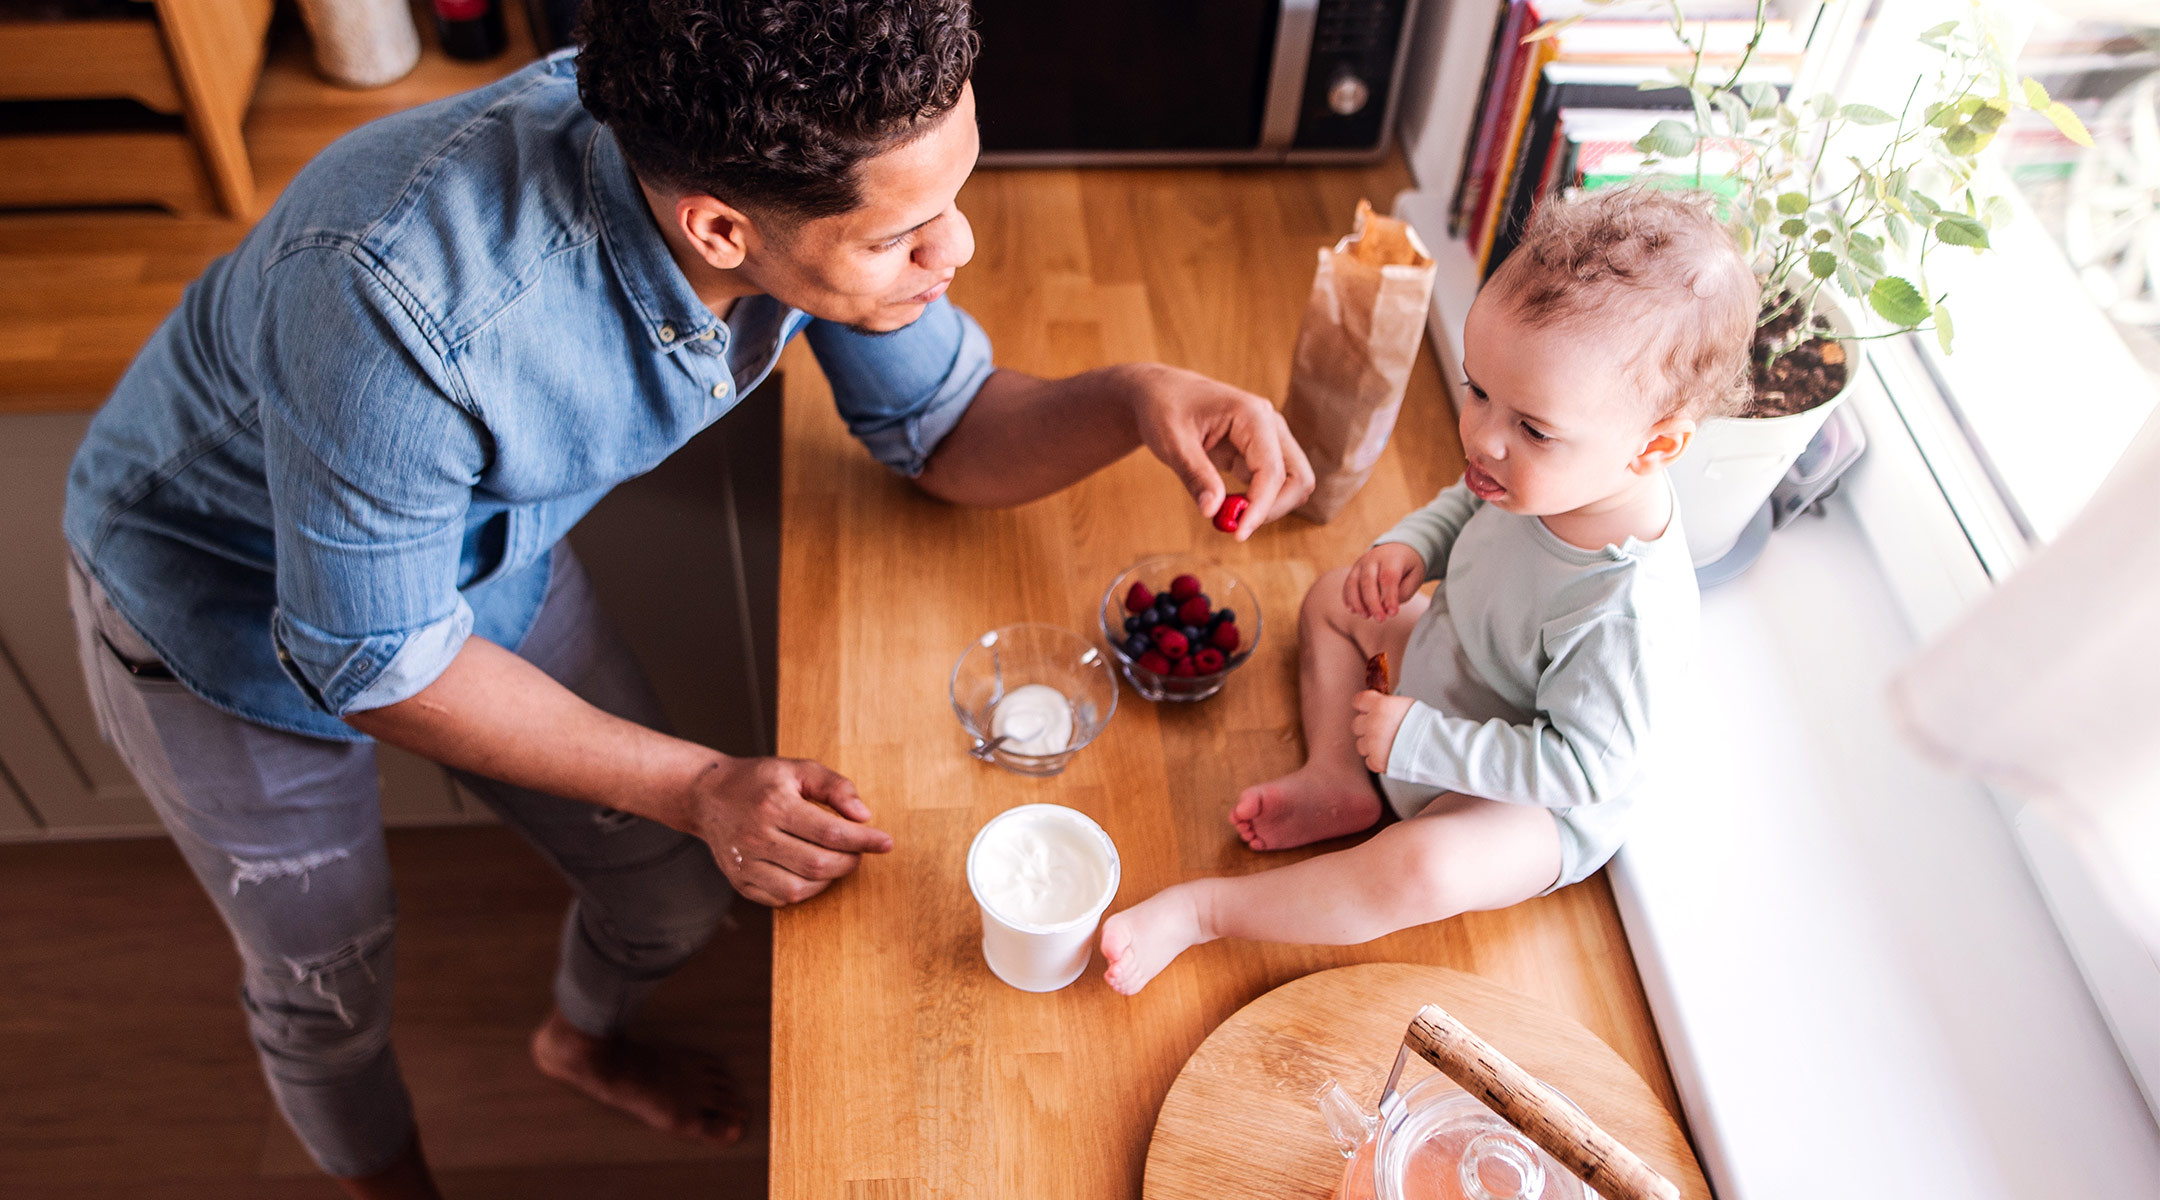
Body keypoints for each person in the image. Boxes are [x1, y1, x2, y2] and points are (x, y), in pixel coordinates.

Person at [61, 3, 1314, 1195]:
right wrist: (696, 780)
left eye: (956, 192)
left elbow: (943, 429)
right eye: (901, 236)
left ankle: (578, 1042)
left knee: (668, 890)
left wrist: (1139, 398)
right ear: (720, 231)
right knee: (327, 987)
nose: (958, 249)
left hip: (488, 563)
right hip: (221, 610)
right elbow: (375, 660)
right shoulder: (394, 299)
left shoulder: (784, 160)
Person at [1098, 188, 1753, 995]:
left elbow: (1582, 771)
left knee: (1420, 869)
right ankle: (1340, 778)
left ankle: (1205, 914)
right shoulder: (1540, 472)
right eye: (1478, 391)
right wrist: (1414, 544)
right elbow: (1466, 500)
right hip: (1453, 667)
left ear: (1654, 446)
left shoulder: (1627, 612)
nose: (1482, 437)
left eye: (1531, 427)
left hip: (1530, 792)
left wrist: (1422, 741)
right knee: (1334, 597)